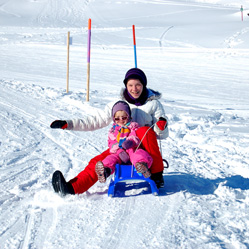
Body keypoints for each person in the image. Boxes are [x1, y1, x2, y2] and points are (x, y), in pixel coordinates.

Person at [51, 68, 168, 196]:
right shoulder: (118, 105)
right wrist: (69, 124)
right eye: (130, 85)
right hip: (120, 148)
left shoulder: (154, 104)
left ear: (144, 85)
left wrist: (161, 127)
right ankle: (71, 188)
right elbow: (95, 121)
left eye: (138, 85)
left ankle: (157, 175)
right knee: (98, 162)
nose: (134, 89)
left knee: (144, 130)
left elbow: (162, 135)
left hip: (142, 149)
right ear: (126, 86)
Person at [95, 100, 153, 183]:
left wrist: (130, 142)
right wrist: (119, 151)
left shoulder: (133, 125)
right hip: (119, 153)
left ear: (128, 117)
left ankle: (142, 166)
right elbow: (111, 143)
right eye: (117, 118)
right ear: (114, 119)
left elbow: (135, 136)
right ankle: (105, 170)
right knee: (111, 158)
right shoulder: (113, 130)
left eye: (124, 117)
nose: (121, 120)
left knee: (139, 153)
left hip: (131, 148)